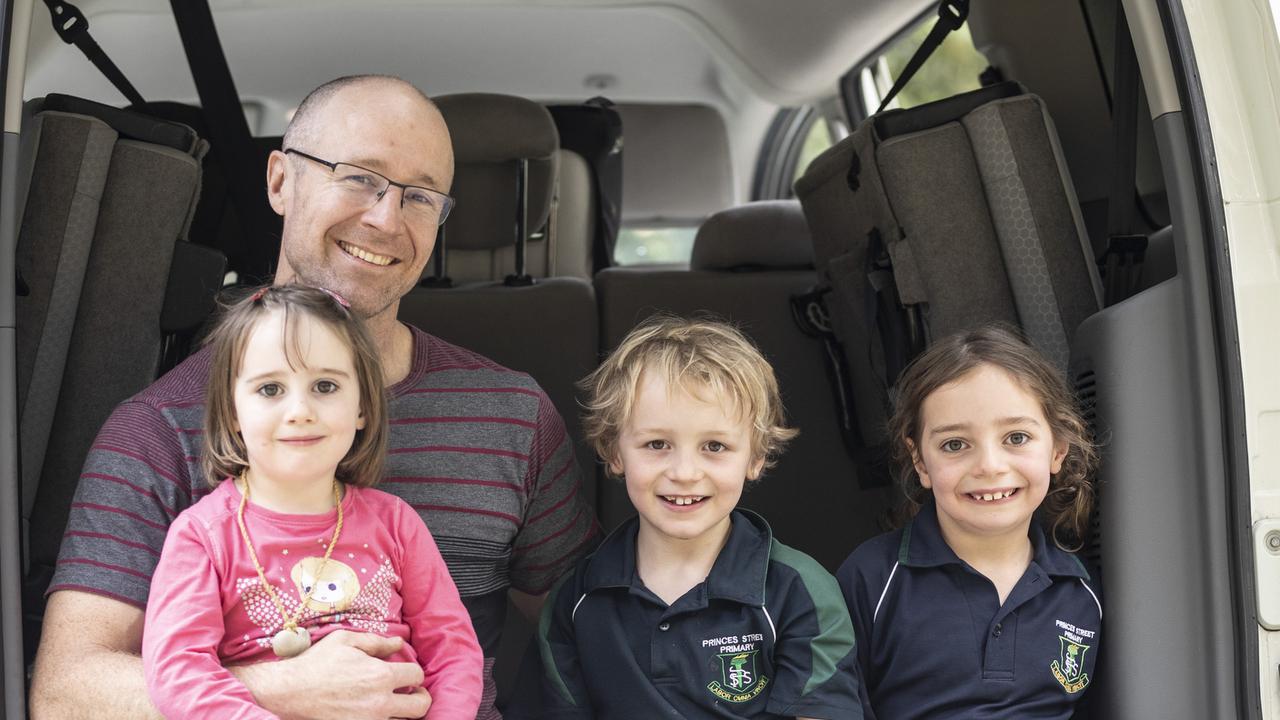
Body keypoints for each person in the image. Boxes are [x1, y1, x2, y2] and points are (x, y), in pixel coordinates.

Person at [30, 75, 598, 720]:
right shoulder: (160, 426)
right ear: (279, 181)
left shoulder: (512, 415)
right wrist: (279, 690)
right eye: (359, 177)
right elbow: (64, 691)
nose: (385, 218)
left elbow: (595, 628)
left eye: (420, 196)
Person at [142, 284, 482, 719]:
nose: (300, 409)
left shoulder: (396, 523)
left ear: (362, 406)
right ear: (231, 411)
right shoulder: (203, 536)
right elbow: (179, 671)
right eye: (270, 389)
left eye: (325, 385)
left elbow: (452, 651)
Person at [534, 316, 862, 719]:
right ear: (615, 451)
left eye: (714, 446)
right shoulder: (577, 598)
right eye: (657, 443)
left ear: (756, 457)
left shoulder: (799, 590)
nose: (685, 472)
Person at [836, 325, 1102, 720]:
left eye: (1016, 438)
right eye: (955, 445)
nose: (990, 467)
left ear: (1058, 450)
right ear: (920, 462)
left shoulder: (1082, 590)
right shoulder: (872, 579)